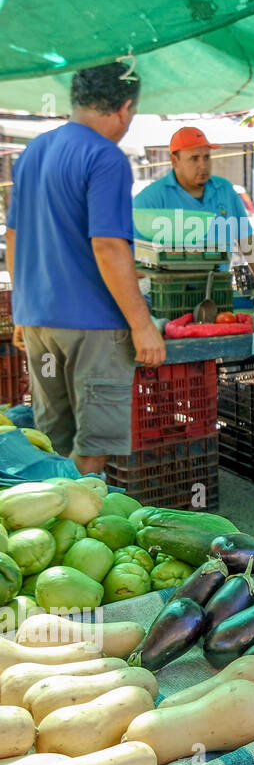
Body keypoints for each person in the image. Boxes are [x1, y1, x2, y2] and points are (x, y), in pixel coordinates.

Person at [4, 63, 165, 474]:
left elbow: (14, 237)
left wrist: (22, 311)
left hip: (40, 322)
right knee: (93, 445)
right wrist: (142, 324)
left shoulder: (34, 152)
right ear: (125, 108)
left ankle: (50, 517)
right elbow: (109, 246)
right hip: (93, 326)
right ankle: (78, 521)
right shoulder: (105, 156)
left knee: (52, 437)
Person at [134, 126, 254, 309]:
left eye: (206, 157)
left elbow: (247, 241)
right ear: (174, 160)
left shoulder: (225, 191)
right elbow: (128, 257)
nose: (202, 165)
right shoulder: (150, 200)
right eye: (194, 158)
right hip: (164, 301)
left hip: (216, 296)